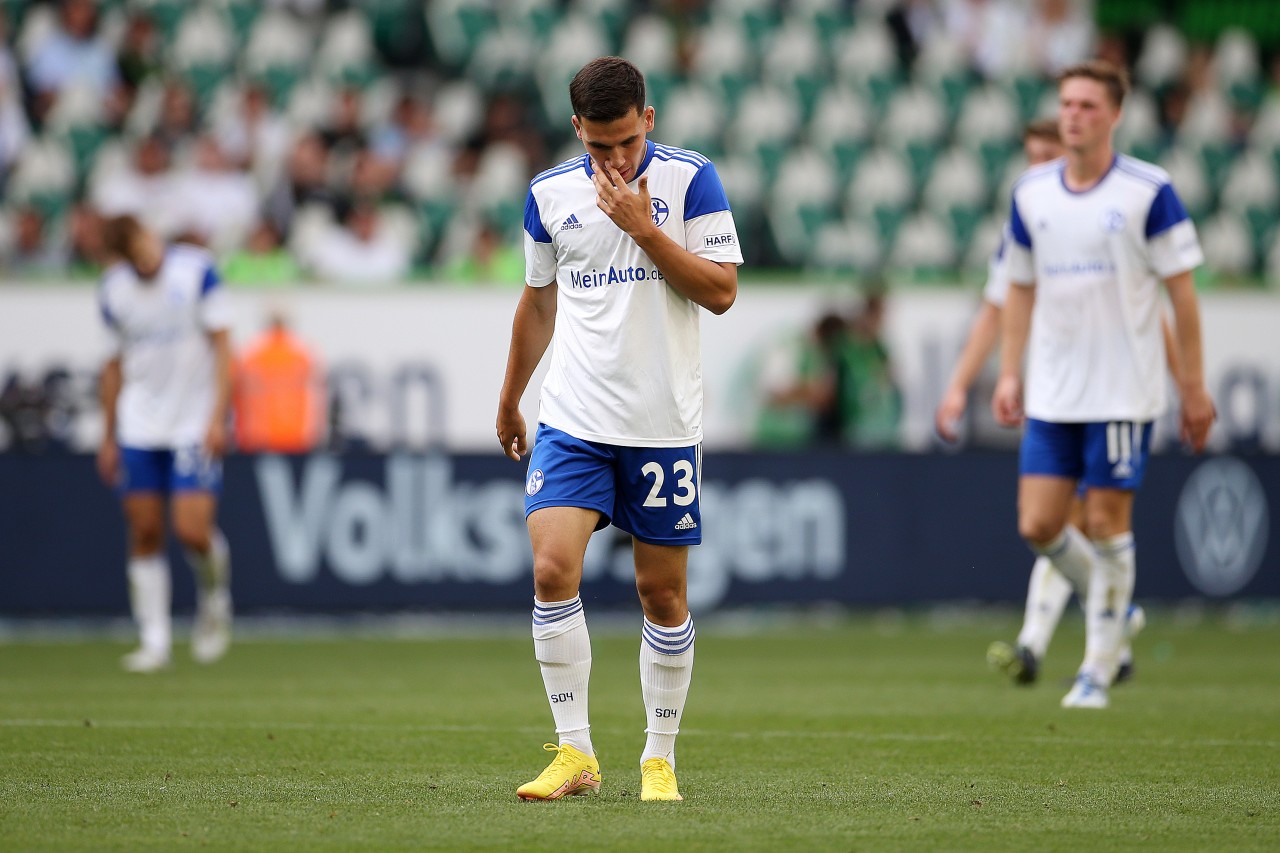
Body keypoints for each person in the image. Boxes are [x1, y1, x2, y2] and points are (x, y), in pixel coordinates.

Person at [495, 57, 741, 801]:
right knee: (549, 570)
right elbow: (539, 302)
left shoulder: (691, 181)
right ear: (577, 130)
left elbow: (722, 291)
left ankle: (658, 758)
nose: (616, 159)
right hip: (574, 416)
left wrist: (645, 232)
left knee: (661, 594)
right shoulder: (548, 194)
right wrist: (511, 398)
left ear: (650, 120)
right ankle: (576, 752)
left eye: (628, 142)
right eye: (600, 147)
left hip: (662, 423)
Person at [992, 60, 1215, 709]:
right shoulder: (1032, 193)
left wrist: (1193, 386)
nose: (1074, 115)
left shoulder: (1148, 190)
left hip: (1122, 389)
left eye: (1089, 105)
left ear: (1114, 115)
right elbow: (1019, 288)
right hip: (1055, 390)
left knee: (1107, 523)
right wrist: (1010, 372)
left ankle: (1095, 667)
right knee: (1038, 523)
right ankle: (1115, 609)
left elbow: (1183, 296)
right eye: (1067, 103)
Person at [937, 118, 1163, 685]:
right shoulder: (1030, 222)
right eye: (1031, 157)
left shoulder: (1111, 216)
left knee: (1080, 522)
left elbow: (1151, 305)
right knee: (1056, 524)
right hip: (1055, 395)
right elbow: (994, 308)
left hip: (1111, 393)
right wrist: (961, 385)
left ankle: (1041, 643)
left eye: (1048, 154)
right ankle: (1113, 622)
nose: (1038, 167)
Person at [95, 215, 234, 673]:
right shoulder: (113, 291)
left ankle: (214, 597)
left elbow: (223, 347)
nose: (149, 256)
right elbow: (113, 365)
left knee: (192, 531)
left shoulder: (196, 271)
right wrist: (108, 433)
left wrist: (217, 417)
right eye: (138, 254)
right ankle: (154, 640)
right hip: (139, 423)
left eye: (149, 245)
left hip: (192, 420)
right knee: (145, 530)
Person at [234, 311, 325, 453]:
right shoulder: (303, 353)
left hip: (258, 438)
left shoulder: (252, 353)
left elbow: (237, 392)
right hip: (297, 436)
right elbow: (318, 395)